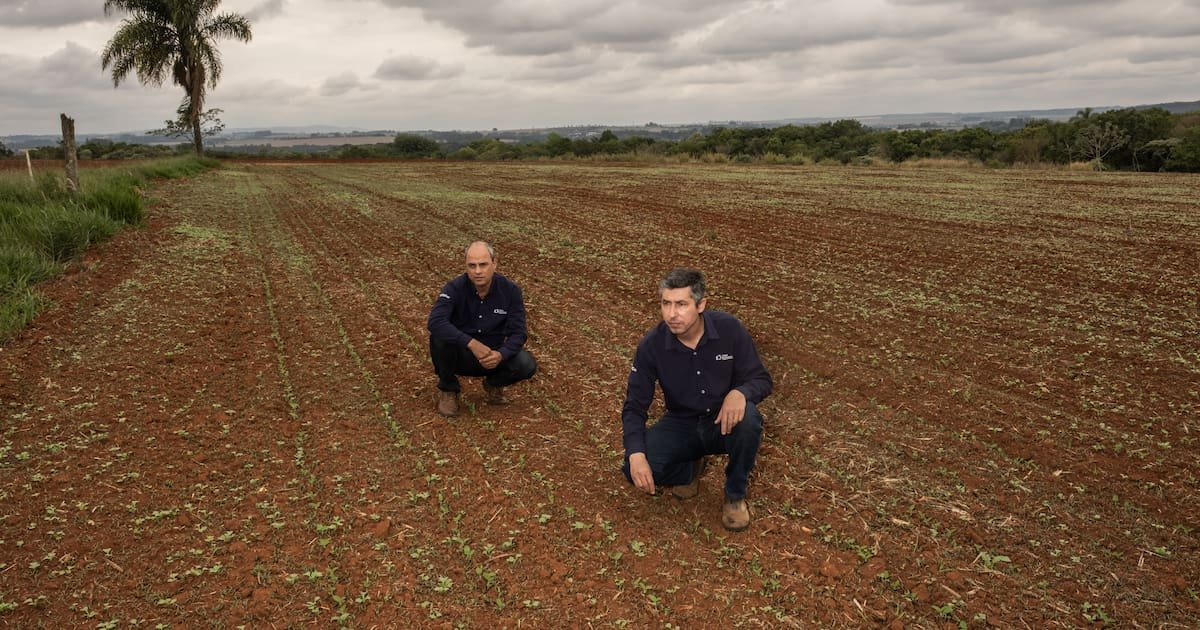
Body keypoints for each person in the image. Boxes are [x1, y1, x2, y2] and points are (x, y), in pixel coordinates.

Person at [620, 268, 772, 531]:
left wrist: (739, 393)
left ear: (701, 304)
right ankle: (690, 469)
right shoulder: (652, 345)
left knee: (748, 419)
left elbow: (761, 379)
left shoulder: (729, 330)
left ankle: (735, 495)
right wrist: (635, 455)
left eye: (681, 304)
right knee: (635, 468)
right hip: (681, 423)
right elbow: (634, 406)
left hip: (722, 421)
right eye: (666, 303)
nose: (671, 314)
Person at [427, 241, 537, 417]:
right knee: (439, 337)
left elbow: (519, 332)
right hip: (461, 356)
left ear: (494, 263)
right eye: (472, 266)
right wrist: (471, 343)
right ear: (466, 266)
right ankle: (449, 389)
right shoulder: (454, 288)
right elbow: (435, 321)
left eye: (483, 264)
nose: (477, 271)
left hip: (492, 358)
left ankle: (494, 384)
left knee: (526, 364)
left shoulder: (510, 291)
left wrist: (501, 354)